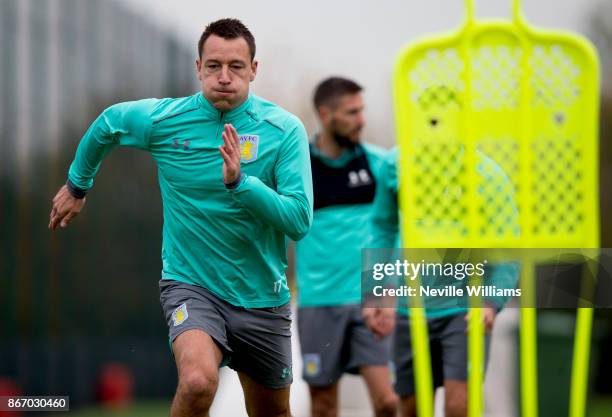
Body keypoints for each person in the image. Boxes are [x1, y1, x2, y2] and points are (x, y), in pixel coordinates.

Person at [48, 18, 313, 417]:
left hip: (262, 298)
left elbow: (298, 220)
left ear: (254, 70)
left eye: (236, 67)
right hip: (191, 285)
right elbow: (108, 124)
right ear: (198, 68)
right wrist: (76, 186)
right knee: (197, 382)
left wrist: (241, 183)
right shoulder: (165, 120)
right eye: (214, 66)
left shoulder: (285, 130)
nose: (224, 77)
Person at [367, 146, 518, 417]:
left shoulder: (488, 175)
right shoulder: (394, 164)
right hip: (407, 307)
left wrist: (490, 301)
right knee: (411, 408)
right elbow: (383, 228)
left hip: (464, 309)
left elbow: (507, 249)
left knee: (459, 408)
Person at [295, 77, 397, 417]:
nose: (361, 120)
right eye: (352, 112)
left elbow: (398, 227)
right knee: (323, 407)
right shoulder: (298, 169)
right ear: (326, 115)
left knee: (388, 402)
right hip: (318, 304)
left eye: (362, 110)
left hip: (370, 301)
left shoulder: (380, 165)